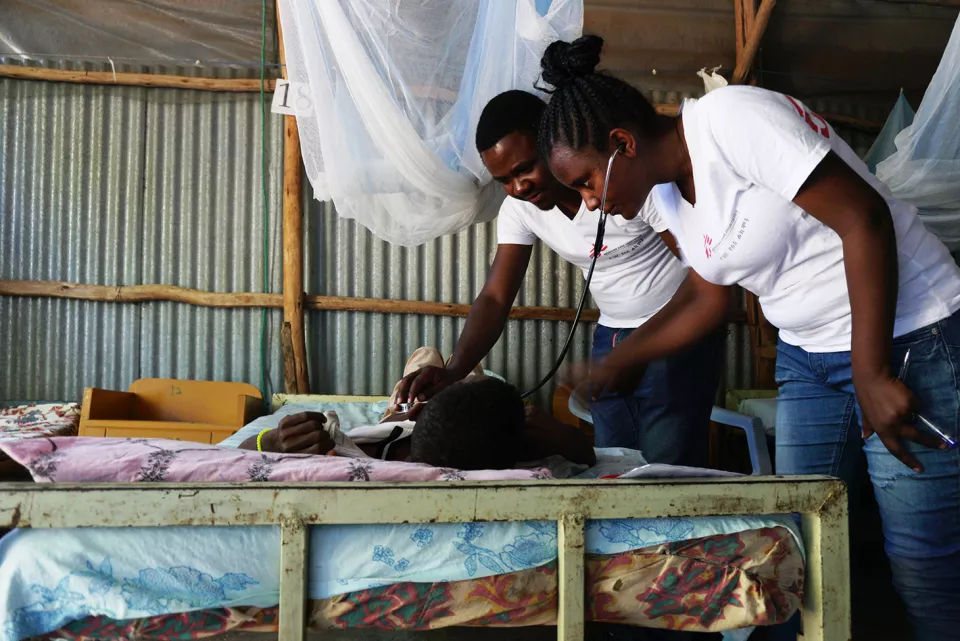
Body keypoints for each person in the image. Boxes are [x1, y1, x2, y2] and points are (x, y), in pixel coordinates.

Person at [535, 34, 960, 640]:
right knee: (792, 549)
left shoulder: (732, 119)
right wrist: (620, 358)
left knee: (924, 566)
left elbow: (863, 217)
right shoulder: (667, 197)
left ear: (621, 145)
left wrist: (871, 372)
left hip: (907, 338)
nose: (588, 204)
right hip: (808, 360)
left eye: (584, 183)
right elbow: (709, 299)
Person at [392, 89, 725, 467]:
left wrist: (639, 350)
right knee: (612, 462)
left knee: (668, 466)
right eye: (504, 179)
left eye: (524, 168)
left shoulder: (626, 183)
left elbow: (703, 281)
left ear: (553, 145)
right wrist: (453, 372)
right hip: (612, 336)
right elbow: (496, 298)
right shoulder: (520, 210)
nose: (518, 188)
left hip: (676, 332)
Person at [242, 347, 595, 471]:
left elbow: (232, 456)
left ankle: (415, 381)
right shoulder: (519, 445)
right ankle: (461, 371)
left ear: (415, 412)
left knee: (425, 359)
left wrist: (270, 442)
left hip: (399, 421)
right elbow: (586, 455)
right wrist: (564, 435)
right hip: (469, 427)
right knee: (470, 374)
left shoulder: (357, 449)